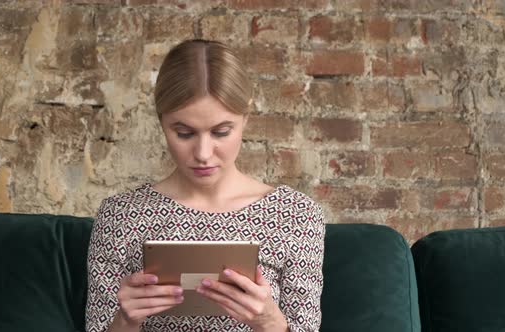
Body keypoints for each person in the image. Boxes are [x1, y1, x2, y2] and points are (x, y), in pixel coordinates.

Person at [86, 39, 326, 332]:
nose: (202, 153)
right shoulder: (120, 215)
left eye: (221, 132)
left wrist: (269, 322)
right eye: (184, 133)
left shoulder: (296, 215)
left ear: (245, 119)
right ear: (162, 122)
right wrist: (126, 320)